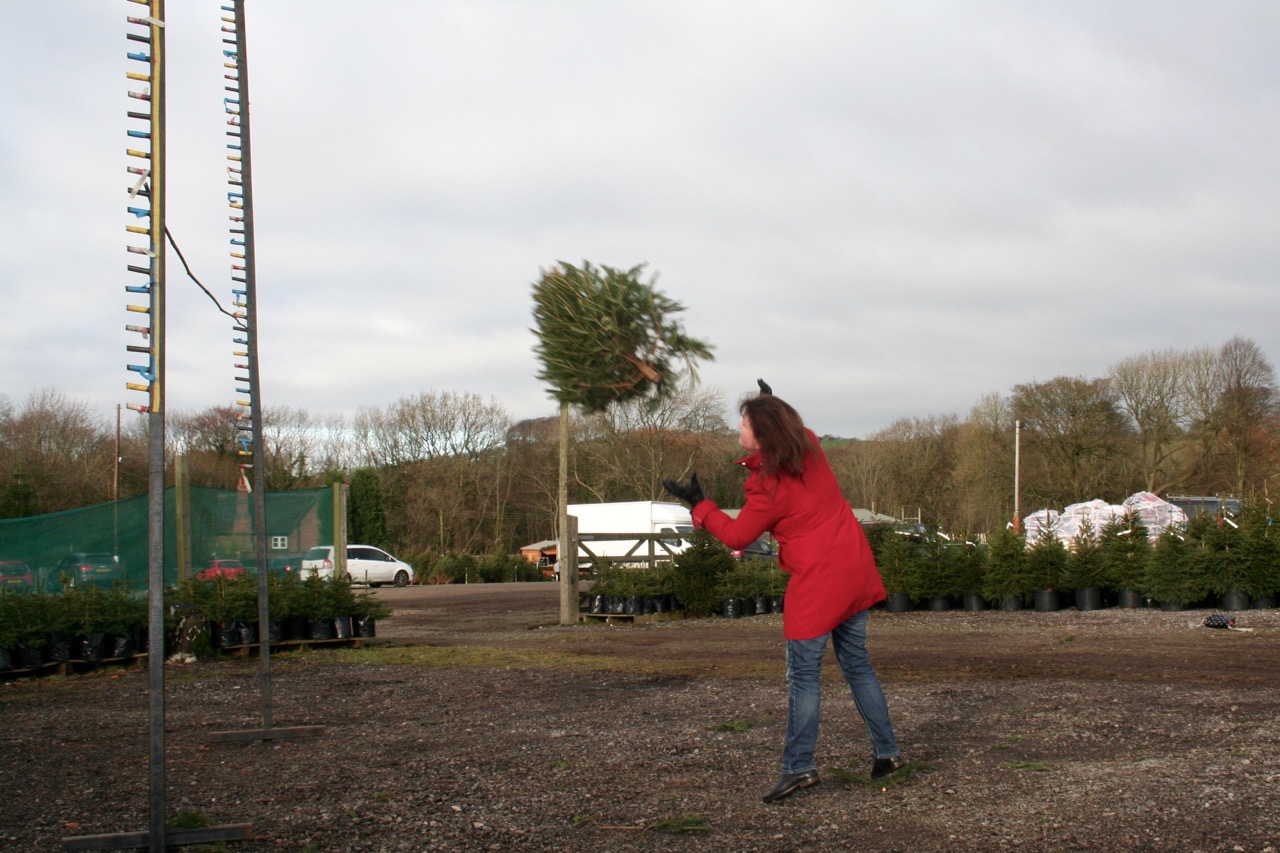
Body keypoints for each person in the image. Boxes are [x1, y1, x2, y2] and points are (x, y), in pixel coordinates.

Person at [663, 380, 906, 804]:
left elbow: (738, 535)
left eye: (745, 422)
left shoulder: (767, 487)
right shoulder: (810, 447)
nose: (739, 426)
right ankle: (888, 753)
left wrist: (699, 504)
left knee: (804, 678)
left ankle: (799, 767)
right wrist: (770, 403)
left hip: (818, 584)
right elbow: (793, 428)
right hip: (854, 570)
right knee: (857, 666)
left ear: (762, 435)